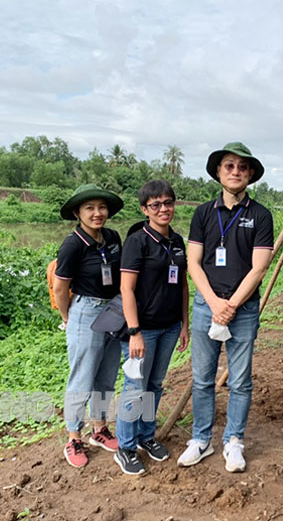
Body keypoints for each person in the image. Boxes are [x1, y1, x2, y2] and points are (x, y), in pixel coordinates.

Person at [177, 142, 274, 473]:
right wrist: (215, 302)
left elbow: (259, 267)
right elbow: (193, 262)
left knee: (241, 380)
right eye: (229, 166)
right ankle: (201, 439)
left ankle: (234, 441)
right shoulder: (203, 213)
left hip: (242, 310)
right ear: (218, 172)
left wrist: (231, 304)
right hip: (207, 305)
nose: (236, 172)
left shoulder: (260, 215)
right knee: (202, 378)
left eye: (242, 167)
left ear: (250, 175)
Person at [113, 180, 190, 476]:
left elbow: (182, 283)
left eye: (168, 203)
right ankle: (126, 446)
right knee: (135, 387)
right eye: (155, 205)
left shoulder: (177, 241)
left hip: (169, 327)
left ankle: (146, 436)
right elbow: (126, 289)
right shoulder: (138, 241)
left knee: (155, 385)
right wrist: (134, 332)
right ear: (145, 209)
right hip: (142, 330)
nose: (163, 209)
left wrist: (184, 323)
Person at [53, 184, 124, 468]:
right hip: (85, 311)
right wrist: (68, 318)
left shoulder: (111, 237)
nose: (98, 214)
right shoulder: (72, 245)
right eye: (90, 208)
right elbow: (60, 288)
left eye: (102, 207)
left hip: (113, 311)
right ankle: (73, 437)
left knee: (106, 377)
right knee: (81, 378)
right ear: (77, 213)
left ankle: (100, 430)